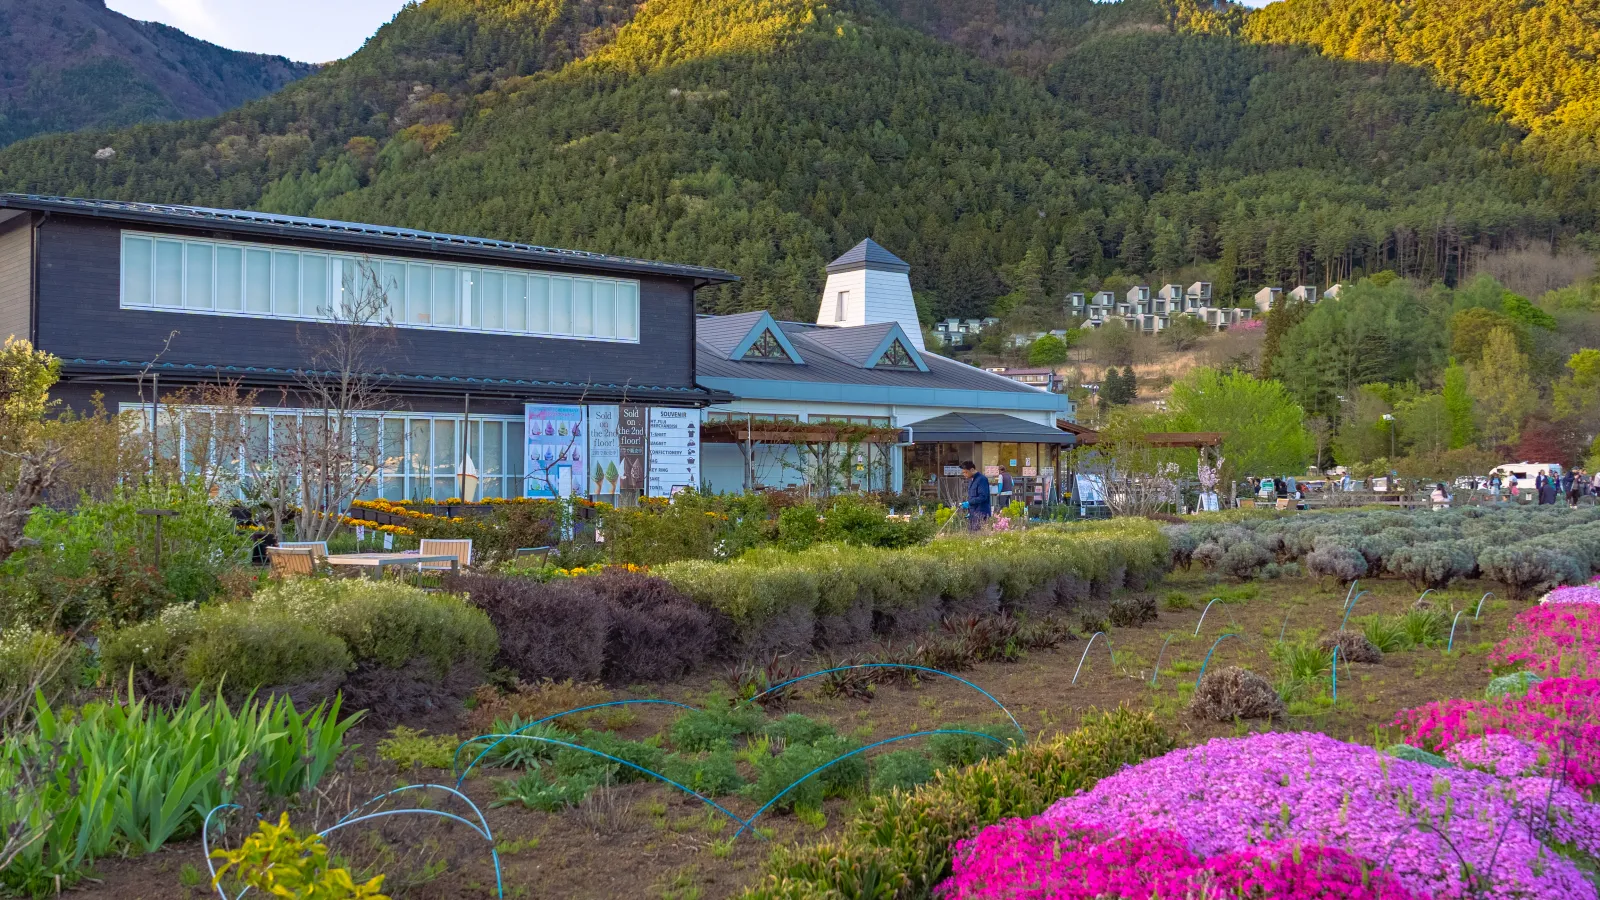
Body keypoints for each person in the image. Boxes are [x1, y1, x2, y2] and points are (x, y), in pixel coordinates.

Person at [959, 461, 991, 530]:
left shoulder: (982, 479)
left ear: (972, 470)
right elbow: (972, 496)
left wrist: (969, 503)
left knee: (978, 536)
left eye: (966, 472)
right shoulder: (971, 480)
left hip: (981, 513)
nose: (964, 474)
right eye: (963, 473)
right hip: (973, 513)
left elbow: (983, 497)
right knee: (971, 535)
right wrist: (970, 509)